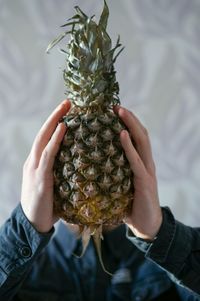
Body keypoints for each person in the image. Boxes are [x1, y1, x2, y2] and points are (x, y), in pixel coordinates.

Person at [0, 99, 199, 301]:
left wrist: (159, 232)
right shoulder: (25, 275)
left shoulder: (164, 271)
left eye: (105, 161)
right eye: (75, 163)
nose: (91, 181)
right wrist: (25, 230)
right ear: (50, 171)